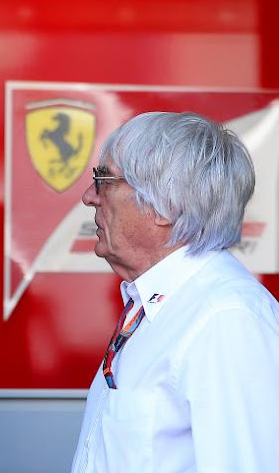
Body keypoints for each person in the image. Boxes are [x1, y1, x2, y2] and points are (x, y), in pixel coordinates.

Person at [71, 111, 279, 472]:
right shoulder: (164, 303)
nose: (90, 196)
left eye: (104, 179)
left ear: (163, 207)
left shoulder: (226, 319)